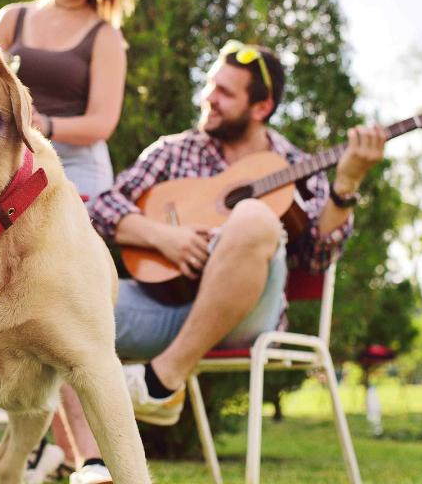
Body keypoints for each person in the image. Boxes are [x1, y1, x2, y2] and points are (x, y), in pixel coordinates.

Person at [61, 41, 387, 484]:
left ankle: (162, 382)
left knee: (253, 216)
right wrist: (163, 236)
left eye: (225, 93)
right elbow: (99, 206)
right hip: (168, 306)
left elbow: (315, 256)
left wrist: (345, 186)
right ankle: (95, 468)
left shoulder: (294, 164)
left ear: (261, 107)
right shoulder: (175, 150)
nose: (209, 98)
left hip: (248, 315)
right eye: (211, 86)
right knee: (65, 310)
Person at [0, 0, 133, 482]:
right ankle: (40, 448)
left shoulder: (104, 36)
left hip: (76, 176)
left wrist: (38, 121)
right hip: (7, 170)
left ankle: (91, 461)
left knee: (65, 314)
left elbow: (101, 122)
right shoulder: (13, 18)